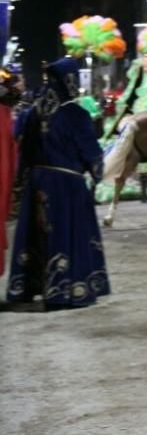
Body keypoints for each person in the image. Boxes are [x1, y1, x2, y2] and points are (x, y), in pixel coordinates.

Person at [6, 58, 110, 309]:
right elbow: (91, 154)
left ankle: (31, 287)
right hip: (66, 184)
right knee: (67, 233)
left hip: (37, 182)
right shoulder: (75, 114)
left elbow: (22, 146)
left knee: (36, 235)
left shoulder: (32, 113)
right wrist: (96, 173)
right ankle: (67, 289)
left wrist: (23, 179)